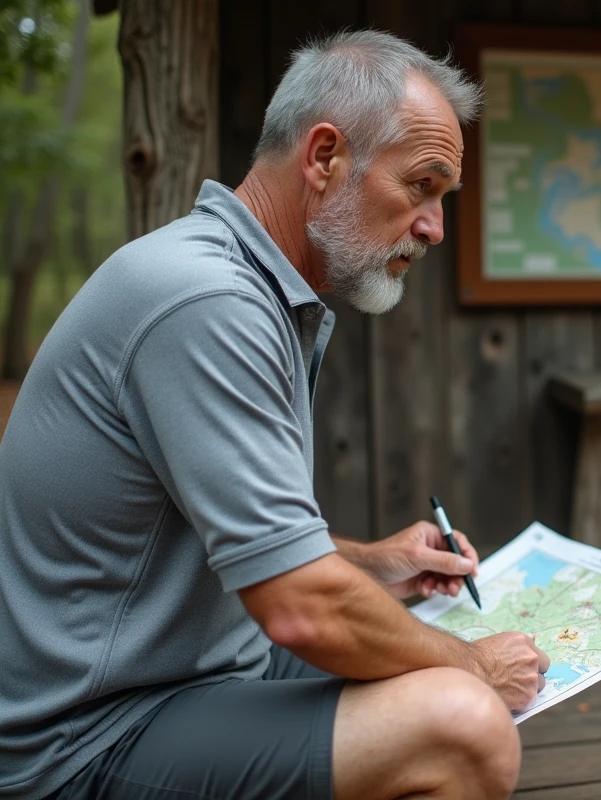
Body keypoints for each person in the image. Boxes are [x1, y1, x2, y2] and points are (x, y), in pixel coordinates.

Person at [0, 30, 548, 800]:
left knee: (425, 658)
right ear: (324, 157)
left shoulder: (238, 281)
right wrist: (477, 666)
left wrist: (374, 564)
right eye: (421, 186)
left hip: (189, 672)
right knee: (465, 724)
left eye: (442, 199)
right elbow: (298, 607)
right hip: (87, 736)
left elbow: (231, 543)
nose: (434, 227)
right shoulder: (210, 302)